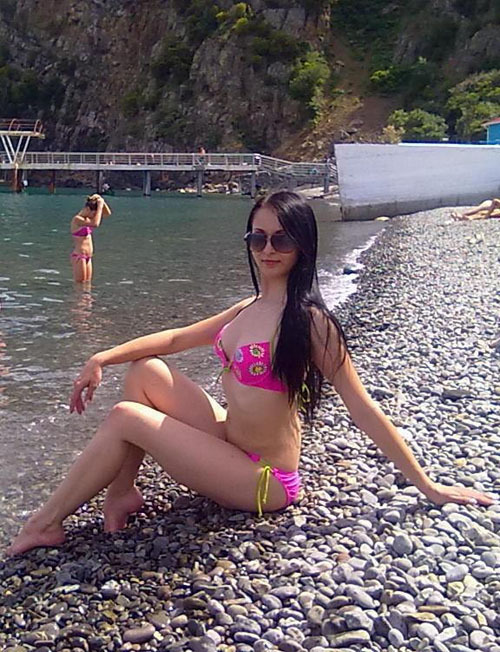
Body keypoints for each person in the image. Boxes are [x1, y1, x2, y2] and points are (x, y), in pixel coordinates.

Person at [7, 191, 494, 556]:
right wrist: (100, 357)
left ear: (303, 243)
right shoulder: (249, 307)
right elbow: (175, 339)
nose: (268, 248)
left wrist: (428, 486)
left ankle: (45, 522)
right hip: (229, 439)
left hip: (265, 478)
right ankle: (121, 493)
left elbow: (362, 408)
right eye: (258, 237)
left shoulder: (310, 322)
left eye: (282, 238)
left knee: (126, 417)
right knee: (145, 371)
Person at [70, 194, 111, 283]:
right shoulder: (77, 219)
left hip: (88, 256)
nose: (94, 216)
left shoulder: (88, 219)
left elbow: (107, 213)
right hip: (80, 256)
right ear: (88, 209)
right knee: (80, 284)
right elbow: (95, 224)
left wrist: (101, 201)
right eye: (94, 214)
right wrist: (99, 206)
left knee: (87, 284)